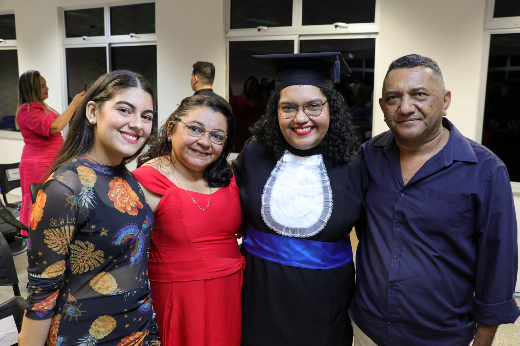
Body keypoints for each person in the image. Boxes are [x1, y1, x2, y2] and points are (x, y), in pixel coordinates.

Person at [349, 54, 520, 346]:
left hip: (441, 337)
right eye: (393, 98)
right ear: (382, 106)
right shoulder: (368, 156)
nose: (405, 107)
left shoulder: (485, 170)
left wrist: (483, 339)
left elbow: (498, 261)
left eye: (420, 95)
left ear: (445, 100)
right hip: (368, 330)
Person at [232, 52, 367, 345]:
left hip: (325, 306)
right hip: (259, 298)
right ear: (274, 112)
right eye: (288, 108)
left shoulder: (354, 167)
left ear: (332, 109)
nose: (301, 118)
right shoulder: (255, 153)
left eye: (314, 106)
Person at [18, 70, 161, 346]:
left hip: (138, 330)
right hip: (86, 335)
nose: (137, 125)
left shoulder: (126, 176)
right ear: (93, 112)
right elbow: (41, 296)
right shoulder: (64, 189)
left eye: (146, 116)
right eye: (124, 110)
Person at [133, 95, 243, 346]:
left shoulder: (228, 177)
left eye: (217, 136)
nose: (205, 142)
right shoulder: (145, 183)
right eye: (195, 129)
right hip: (178, 302)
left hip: (228, 298)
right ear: (171, 129)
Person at [16, 70, 85, 233]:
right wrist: (74, 104)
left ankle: (52, 234)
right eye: (42, 86)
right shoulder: (26, 110)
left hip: (51, 162)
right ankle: (39, 238)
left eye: (45, 84)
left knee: (53, 199)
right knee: (40, 201)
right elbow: (55, 127)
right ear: (31, 89)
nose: (47, 88)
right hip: (38, 165)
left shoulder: (42, 107)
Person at [230, 76, 265, 151]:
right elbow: (229, 117)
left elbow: (265, 116)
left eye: (255, 86)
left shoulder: (259, 102)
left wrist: (266, 98)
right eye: (251, 85)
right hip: (239, 133)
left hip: (255, 134)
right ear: (246, 85)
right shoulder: (236, 99)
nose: (253, 87)